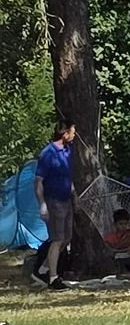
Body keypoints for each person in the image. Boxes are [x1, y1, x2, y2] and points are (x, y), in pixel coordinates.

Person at [31, 120, 78, 288]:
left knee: (66, 238)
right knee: (57, 239)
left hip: (66, 199)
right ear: (64, 134)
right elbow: (38, 181)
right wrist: (42, 204)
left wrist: (74, 194)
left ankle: (43, 269)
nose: (74, 135)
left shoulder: (67, 151)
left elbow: (68, 176)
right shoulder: (48, 153)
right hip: (53, 200)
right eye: (72, 132)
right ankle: (53, 278)